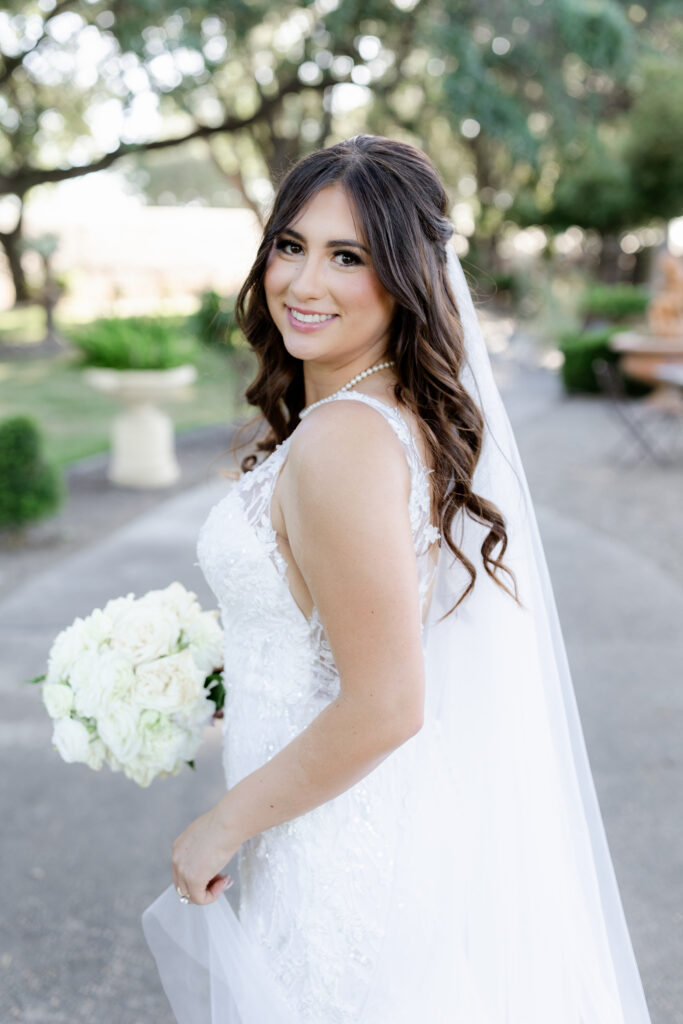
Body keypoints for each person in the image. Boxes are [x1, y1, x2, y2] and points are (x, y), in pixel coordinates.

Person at [143, 135, 652, 1023]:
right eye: (291, 246)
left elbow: (386, 702)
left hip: (337, 853)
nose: (303, 284)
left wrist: (220, 824)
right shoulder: (383, 417)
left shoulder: (342, 440)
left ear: (405, 279)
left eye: (349, 257)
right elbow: (337, 633)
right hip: (349, 816)